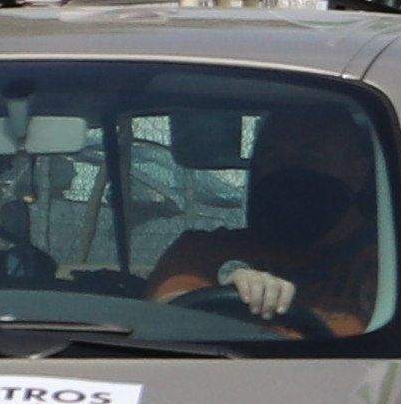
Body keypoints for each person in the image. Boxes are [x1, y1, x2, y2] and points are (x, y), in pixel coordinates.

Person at [150, 119, 384, 338]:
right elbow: (162, 317)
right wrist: (232, 290)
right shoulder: (202, 251)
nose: (289, 173)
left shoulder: (390, 267)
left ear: (358, 170)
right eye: (273, 159)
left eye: (310, 157)